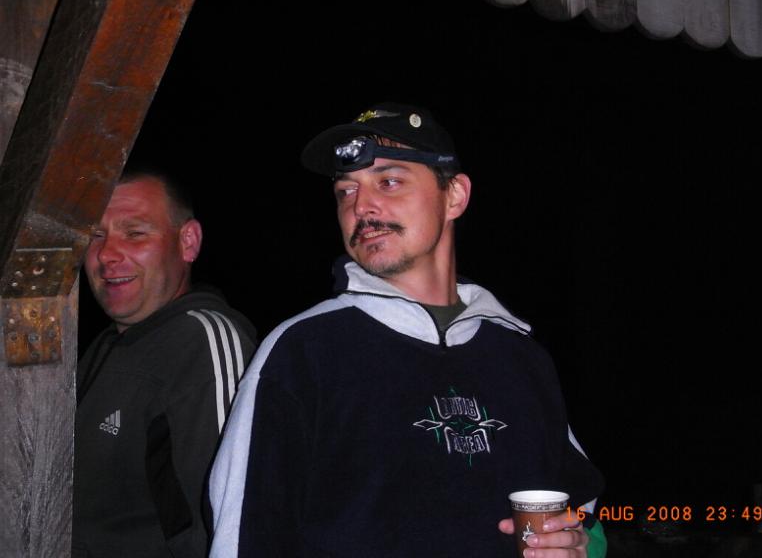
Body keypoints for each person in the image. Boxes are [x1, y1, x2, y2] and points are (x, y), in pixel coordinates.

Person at [208, 102, 605, 557]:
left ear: (454, 196)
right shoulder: (303, 352)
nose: (361, 207)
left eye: (389, 181)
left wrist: (574, 539)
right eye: (345, 191)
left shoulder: (521, 357)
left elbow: (581, 509)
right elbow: (240, 540)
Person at [73, 167, 257, 557]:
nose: (107, 254)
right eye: (96, 236)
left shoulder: (202, 343)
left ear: (188, 242)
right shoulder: (104, 347)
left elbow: (232, 522)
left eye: (135, 233)